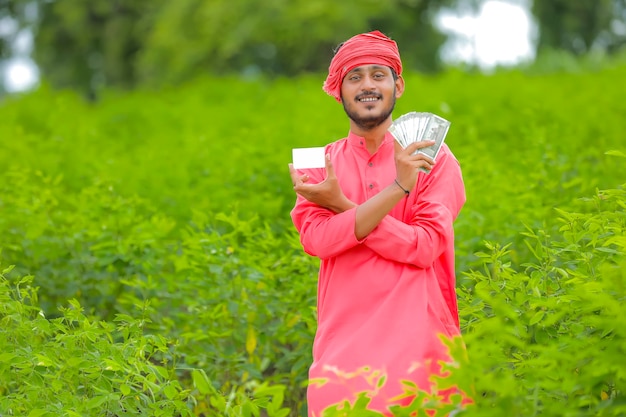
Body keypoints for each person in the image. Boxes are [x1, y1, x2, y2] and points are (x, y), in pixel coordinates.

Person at [288, 30, 466, 416]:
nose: (367, 85)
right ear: (338, 90)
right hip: (341, 354)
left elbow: (425, 245)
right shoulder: (317, 163)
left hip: (421, 348)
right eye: (355, 77)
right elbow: (317, 240)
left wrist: (343, 207)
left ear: (397, 84)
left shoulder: (431, 156)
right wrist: (392, 194)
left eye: (378, 75)